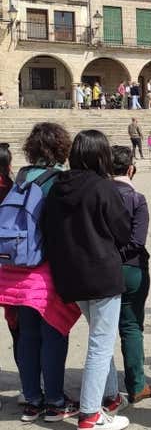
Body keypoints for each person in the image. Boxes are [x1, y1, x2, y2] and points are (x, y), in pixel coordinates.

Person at [44, 130, 132, 430]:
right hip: (102, 275)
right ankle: (90, 415)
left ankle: (108, 397)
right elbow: (123, 230)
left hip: (71, 276)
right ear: (100, 155)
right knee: (100, 344)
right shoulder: (102, 188)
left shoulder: (57, 187)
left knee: (99, 337)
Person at [0, 126, 82, 423]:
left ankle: (32, 401)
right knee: (54, 335)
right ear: (61, 148)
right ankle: (56, 402)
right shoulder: (59, 181)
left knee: (28, 336)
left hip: (14, 271)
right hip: (46, 271)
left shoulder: (20, 177)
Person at [110, 146, 151, 404]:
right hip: (132, 268)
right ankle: (136, 384)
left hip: (102, 269)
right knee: (131, 326)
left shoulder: (98, 195)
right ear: (131, 169)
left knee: (101, 330)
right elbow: (137, 241)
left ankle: (106, 390)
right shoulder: (136, 199)